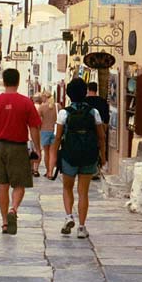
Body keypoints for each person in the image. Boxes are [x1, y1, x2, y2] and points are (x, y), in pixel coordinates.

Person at [0, 68, 42, 235]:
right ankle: (13, 209)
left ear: (4, 81)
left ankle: (4, 223)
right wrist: (38, 148)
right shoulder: (26, 102)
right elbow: (34, 127)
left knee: (3, 185)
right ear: (18, 81)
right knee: (19, 184)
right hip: (18, 146)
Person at [49, 78, 106, 239]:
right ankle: (81, 227)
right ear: (85, 92)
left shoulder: (64, 113)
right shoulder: (93, 112)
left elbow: (58, 138)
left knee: (67, 188)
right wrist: (103, 156)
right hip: (88, 157)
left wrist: (52, 162)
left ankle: (68, 216)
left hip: (69, 156)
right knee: (84, 192)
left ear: (68, 94)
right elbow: (101, 137)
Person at [84, 82, 110, 178]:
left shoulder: (84, 101)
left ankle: (90, 169)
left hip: (88, 128)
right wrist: (105, 127)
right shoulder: (102, 101)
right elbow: (107, 116)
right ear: (96, 90)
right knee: (99, 147)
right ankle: (99, 166)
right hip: (100, 126)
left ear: (88, 89)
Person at [38, 90, 60, 178]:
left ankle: (48, 171)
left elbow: (38, 121)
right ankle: (51, 172)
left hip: (44, 131)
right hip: (55, 131)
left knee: (46, 153)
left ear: (44, 97)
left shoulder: (41, 107)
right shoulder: (57, 106)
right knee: (53, 153)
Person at [30, 93, 43, 177]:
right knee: (38, 151)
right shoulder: (42, 107)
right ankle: (36, 169)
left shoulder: (30, 107)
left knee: (31, 152)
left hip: (29, 133)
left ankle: (31, 168)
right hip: (39, 132)